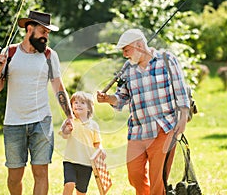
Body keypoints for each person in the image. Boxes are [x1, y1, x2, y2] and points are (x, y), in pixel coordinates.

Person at [0, 11, 73, 195]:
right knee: (14, 176)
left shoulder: (50, 56)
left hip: (41, 122)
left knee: (41, 172)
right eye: (43, 32)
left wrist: (70, 116)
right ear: (29, 29)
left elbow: (59, 88)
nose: (46, 37)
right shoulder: (9, 53)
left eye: (48, 33)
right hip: (13, 123)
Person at [97, 29, 190, 195]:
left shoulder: (166, 60)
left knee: (158, 180)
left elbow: (180, 89)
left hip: (164, 128)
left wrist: (183, 119)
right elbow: (122, 97)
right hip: (138, 131)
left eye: (126, 50)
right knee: (135, 175)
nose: (125, 55)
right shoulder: (128, 69)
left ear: (139, 45)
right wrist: (108, 99)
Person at [59, 91, 104, 195]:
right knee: (69, 183)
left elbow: (97, 143)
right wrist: (67, 130)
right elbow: (64, 135)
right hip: (70, 160)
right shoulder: (70, 121)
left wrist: (101, 151)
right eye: (75, 102)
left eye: (82, 103)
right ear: (71, 106)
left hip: (86, 163)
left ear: (89, 108)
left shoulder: (93, 125)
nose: (78, 104)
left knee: (81, 191)